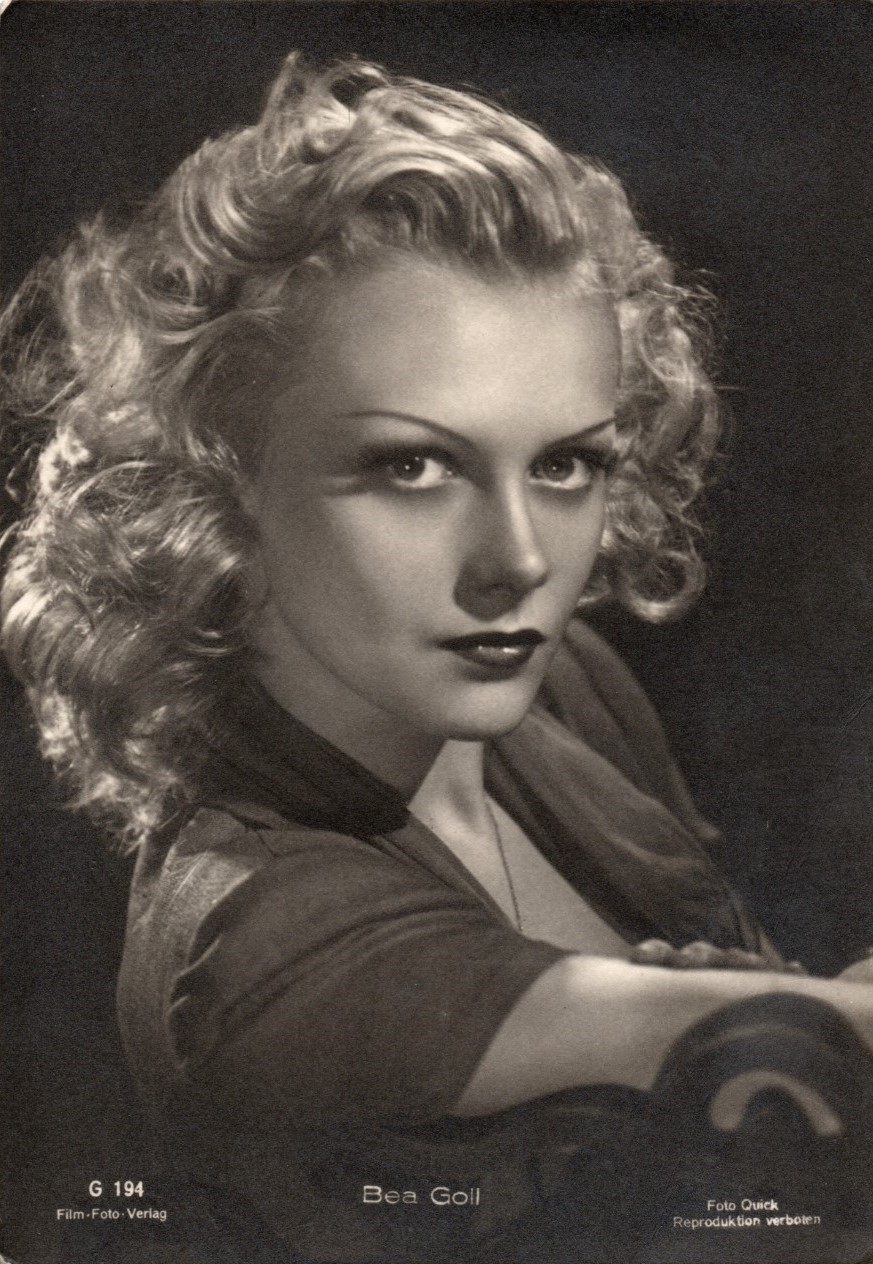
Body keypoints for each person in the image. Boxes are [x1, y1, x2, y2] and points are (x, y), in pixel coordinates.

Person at [2, 52, 872, 1264]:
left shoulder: (557, 693)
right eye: (412, 465)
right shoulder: (259, 945)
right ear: (221, 485)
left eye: (564, 463)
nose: (519, 559)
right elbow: (808, 1043)